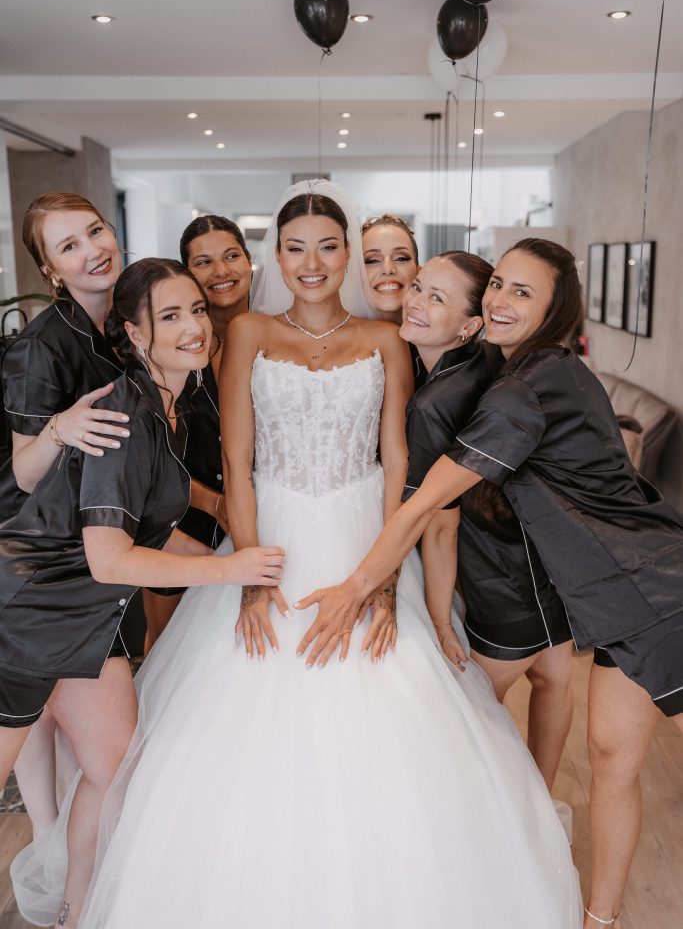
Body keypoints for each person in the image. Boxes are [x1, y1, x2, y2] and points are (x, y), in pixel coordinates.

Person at [73, 185, 581, 929]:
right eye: (294, 247)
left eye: (327, 245)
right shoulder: (243, 332)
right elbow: (239, 464)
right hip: (269, 533)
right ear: (275, 257)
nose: (311, 262)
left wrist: (378, 582)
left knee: (390, 698)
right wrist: (247, 574)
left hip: (362, 534)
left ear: (346, 253)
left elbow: (396, 460)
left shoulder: (384, 343)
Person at [299, 237, 683, 929]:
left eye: (521, 294)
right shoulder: (538, 369)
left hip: (656, 588)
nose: (501, 301)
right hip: (613, 596)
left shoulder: (523, 392)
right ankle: (601, 920)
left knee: (614, 760)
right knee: (609, 761)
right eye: (499, 284)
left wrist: (357, 587)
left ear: (554, 310)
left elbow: (423, 508)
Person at [3, 258, 284, 927]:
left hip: (86, 624)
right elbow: (109, 556)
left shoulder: (168, 405)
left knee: (114, 769)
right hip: (28, 614)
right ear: (132, 332)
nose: (193, 327)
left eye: (196, 310)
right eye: (169, 316)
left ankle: (76, 911)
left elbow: (153, 534)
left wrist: (236, 561)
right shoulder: (126, 409)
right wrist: (231, 571)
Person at [401, 252, 574, 791]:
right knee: (553, 682)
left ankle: (502, 817)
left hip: (500, 574)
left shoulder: (436, 401)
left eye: (437, 297)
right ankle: (543, 805)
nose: (415, 301)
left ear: (470, 325)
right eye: (418, 287)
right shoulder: (495, 366)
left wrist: (438, 617)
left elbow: (440, 522)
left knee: (470, 715)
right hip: (545, 561)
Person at [0, 194, 130, 849]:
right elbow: (23, 472)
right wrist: (58, 427)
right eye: (69, 246)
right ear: (51, 270)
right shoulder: (38, 348)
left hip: (90, 571)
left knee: (111, 761)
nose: (92, 250)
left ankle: (70, 895)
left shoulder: (122, 329)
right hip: (38, 575)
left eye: (95, 231)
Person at [141, 216, 253, 648]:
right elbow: (150, 459)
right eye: (203, 263)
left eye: (231, 256)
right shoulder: (169, 351)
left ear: (249, 261)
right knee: (170, 648)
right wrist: (215, 502)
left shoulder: (277, 338)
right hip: (181, 517)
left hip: (261, 516)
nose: (221, 272)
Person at [362, 214, 424, 386]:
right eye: (372, 260)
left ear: (419, 271)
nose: (388, 269)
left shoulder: (437, 344)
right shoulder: (338, 341)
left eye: (401, 258)